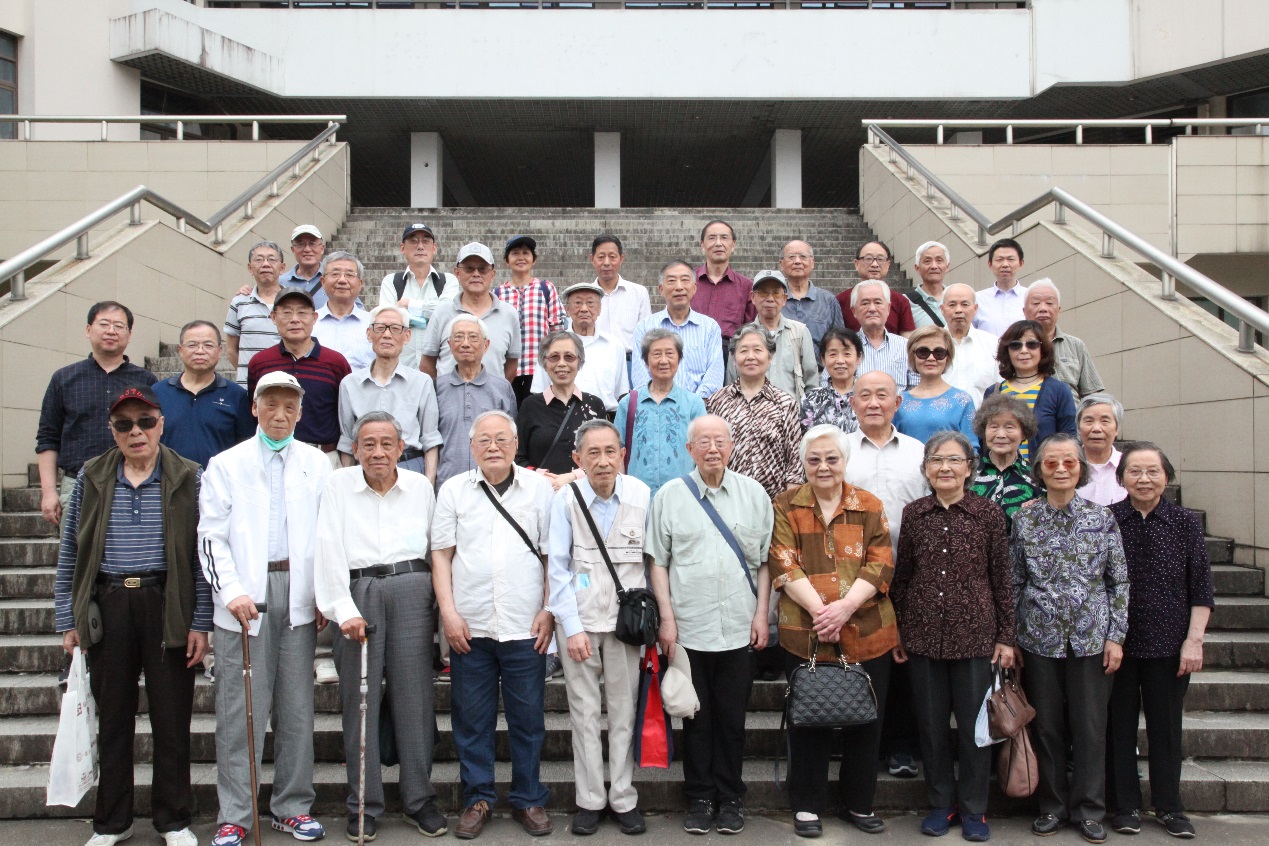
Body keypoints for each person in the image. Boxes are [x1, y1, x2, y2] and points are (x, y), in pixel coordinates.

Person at [53, 385, 210, 846]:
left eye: (144, 422)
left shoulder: (189, 475)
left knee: (172, 720)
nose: (135, 432)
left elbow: (201, 555)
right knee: (113, 720)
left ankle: (173, 820)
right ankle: (111, 822)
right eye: (124, 424)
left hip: (167, 601)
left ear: (161, 424)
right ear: (112, 430)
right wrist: (68, 618)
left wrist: (200, 621)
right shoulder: (92, 475)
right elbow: (70, 552)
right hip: (109, 602)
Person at [198, 371, 332, 846]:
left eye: (289, 406)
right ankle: (236, 814)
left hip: (297, 592)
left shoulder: (318, 463)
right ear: (254, 408)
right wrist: (230, 591)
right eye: (270, 404)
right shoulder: (225, 464)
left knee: (296, 709)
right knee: (241, 711)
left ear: (300, 411)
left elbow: (328, 534)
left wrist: (323, 592)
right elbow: (211, 535)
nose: (280, 414)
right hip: (243, 597)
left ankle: (292, 807)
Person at [314, 411, 447, 841]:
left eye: (387, 443)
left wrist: (440, 604)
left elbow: (435, 546)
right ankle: (364, 803)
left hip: (412, 589)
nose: (378, 452)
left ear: (401, 447)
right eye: (368, 444)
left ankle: (419, 799)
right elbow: (327, 547)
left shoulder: (420, 487)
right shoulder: (338, 485)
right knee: (360, 702)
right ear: (354, 449)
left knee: (415, 698)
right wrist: (342, 608)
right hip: (359, 591)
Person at [767, 424, 897, 838]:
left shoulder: (869, 505)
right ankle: (807, 806)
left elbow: (880, 564)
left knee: (866, 723)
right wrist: (822, 613)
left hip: (867, 629)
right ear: (803, 463)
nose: (823, 466)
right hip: (804, 632)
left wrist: (843, 609)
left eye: (831, 458)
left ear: (845, 461)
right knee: (808, 720)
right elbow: (783, 562)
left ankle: (858, 802)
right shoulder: (786, 504)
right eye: (814, 459)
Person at [431, 411, 555, 839]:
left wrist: (548, 609)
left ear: (516, 444)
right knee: (471, 720)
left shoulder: (539, 489)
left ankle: (528, 798)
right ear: (471, 447)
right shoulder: (453, 490)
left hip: (525, 625)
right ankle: (477, 798)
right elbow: (441, 555)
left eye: (502, 438)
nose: (493, 446)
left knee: (528, 719)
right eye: (483, 439)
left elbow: (551, 556)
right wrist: (448, 614)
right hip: (471, 626)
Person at [648, 415, 773, 836]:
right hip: (689, 628)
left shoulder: (754, 494)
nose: (713, 449)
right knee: (695, 719)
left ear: (732, 446)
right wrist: (667, 619)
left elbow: (764, 563)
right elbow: (658, 562)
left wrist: (762, 614)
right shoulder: (670, 496)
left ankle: (731, 798)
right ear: (690, 450)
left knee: (732, 720)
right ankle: (700, 798)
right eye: (704, 442)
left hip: (738, 626)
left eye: (720, 441)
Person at [891, 431, 1014, 843]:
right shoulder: (914, 514)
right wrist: (900, 630)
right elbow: (903, 577)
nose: (945, 468)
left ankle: (975, 808)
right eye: (936, 460)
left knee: (976, 728)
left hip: (977, 637)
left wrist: (1006, 636)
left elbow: (1002, 577)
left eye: (954, 460)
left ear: (969, 468)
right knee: (931, 726)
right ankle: (940, 803)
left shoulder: (988, 513)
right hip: (923, 637)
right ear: (926, 469)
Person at [1011, 433, 1128, 844]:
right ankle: (1052, 807)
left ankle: (1090, 810)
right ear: (1039, 471)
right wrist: (1011, 638)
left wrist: (1116, 636)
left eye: (1069, 463)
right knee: (1047, 728)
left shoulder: (1102, 518)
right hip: (1038, 639)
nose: (1060, 469)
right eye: (1051, 463)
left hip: (1091, 638)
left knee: (1090, 728)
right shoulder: (1024, 519)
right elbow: (1015, 580)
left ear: (1080, 469)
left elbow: (1118, 581)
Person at [546, 420, 651, 837]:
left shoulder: (641, 494)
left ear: (622, 454)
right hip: (581, 621)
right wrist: (570, 627)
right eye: (593, 453)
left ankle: (623, 797)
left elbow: (651, 561)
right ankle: (590, 799)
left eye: (610, 451)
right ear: (578, 459)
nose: (603, 461)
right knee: (584, 714)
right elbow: (557, 568)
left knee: (624, 712)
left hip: (626, 625)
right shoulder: (566, 499)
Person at [1106, 442, 1214, 839]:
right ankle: (1125, 806)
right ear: (1121, 478)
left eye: (1153, 471)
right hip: (1117, 643)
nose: (1144, 479)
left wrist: (1194, 641)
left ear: (1167, 477)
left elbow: (1201, 586)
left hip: (1170, 644)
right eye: (1135, 471)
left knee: (1166, 728)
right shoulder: (1107, 519)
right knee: (1117, 728)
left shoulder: (1185, 523)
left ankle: (1170, 806)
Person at [843, 370, 926, 782]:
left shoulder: (918, 452)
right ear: (852, 403)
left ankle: (900, 746)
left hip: (908, 571)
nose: (873, 403)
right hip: (853, 574)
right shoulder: (840, 450)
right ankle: (859, 745)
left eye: (882, 395)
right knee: (861, 659)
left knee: (905, 662)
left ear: (898, 403)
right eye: (865, 395)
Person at [37, 301, 157, 524]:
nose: (111, 331)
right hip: (78, 483)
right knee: (77, 546)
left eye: (119, 326)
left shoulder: (145, 380)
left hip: (133, 482)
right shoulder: (64, 379)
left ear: (129, 335)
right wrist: (49, 492)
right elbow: (48, 437)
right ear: (88, 329)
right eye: (104, 324)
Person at [246, 288, 352, 466]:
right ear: (273, 317)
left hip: (323, 458)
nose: (295, 319)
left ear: (315, 318)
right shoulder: (260, 363)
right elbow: (253, 411)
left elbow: (345, 416)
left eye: (302, 313)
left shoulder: (336, 362)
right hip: (271, 456)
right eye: (286, 313)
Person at [336, 305, 442, 480]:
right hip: (365, 469)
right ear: (369, 334)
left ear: (407, 336)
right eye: (380, 328)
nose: (387, 334)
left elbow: (430, 439)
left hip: (409, 466)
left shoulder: (422, 382)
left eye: (395, 329)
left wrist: (428, 485)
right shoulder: (350, 384)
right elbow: (347, 441)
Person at [706, 324, 802, 499]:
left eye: (758, 350)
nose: (750, 357)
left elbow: (795, 464)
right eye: (743, 351)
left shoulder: (785, 404)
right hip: (726, 499)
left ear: (770, 356)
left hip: (773, 503)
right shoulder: (717, 402)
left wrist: (788, 507)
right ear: (734, 358)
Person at [614, 328, 706, 499]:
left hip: (683, 497)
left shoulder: (694, 403)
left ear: (679, 359)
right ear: (646, 361)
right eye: (656, 354)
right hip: (637, 498)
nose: (663, 360)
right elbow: (617, 451)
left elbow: (702, 451)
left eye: (670, 354)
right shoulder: (628, 403)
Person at [153, 320, 254, 469]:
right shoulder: (158, 392)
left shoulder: (237, 396)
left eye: (208, 345)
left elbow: (246, 448)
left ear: (219, 351)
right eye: (192, 345)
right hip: (169, 480)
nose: (200, 351)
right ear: (180, 350)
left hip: (219, 480)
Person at [434, 314, 518, 489]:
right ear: (449, 345)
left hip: (493, 483)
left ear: (486, 345)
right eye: (458, 337)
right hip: (447, 483)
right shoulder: (436, 387)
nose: (465, 343)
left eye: (473, 337)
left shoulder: (502, 388)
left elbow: (512, 439)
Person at [421, 242, 521, 383]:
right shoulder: (442, 312)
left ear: (492, 274)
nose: (476, 274)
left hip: (492, 395)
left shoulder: (509, 314)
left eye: (482, 269)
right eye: (469, 269)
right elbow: (427, 362)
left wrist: (495, 388)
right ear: (457, 273)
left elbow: (512, 364)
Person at [516, 331, 607, 485]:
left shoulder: (594, 405)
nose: (562, 363)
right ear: (545, 363)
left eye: (569, 357)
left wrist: (573, 477)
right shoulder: (530, 406)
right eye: (554, 357)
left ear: (579, 362)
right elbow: (518, 458)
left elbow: (605, 456)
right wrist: (544, 478)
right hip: (543, 492)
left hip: (585, 492)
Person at [983, 319, 1077, 463]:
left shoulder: (1059, 390)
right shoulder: (994, 392)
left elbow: (1069, 439)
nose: (1024, 350)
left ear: (1042, 350)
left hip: (1043, 473)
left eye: (1032, 344)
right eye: (1015, 345)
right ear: (1007, 351)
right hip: (1002, 473)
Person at [629, 260, 724, 398]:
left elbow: (714, 378)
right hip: (655, 405)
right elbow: (640, 378)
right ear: (661, 289)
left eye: (685, 280)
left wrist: (692, 404)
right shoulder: (644, 327)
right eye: (671, 281)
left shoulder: (710, 328)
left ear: (694, 288)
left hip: (700, 406)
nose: (679, 287)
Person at [530, 282, 629, 414]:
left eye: (590, 303)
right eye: (577, 303)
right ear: (567, 309)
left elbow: (621, 392)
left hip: (603, 418)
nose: (584, 309)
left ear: (599, 309)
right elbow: (540, 390)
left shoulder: (615, 346)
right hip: (559, 417)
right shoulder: (551, 344)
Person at [724, 270, 817, 402]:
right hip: (751, 412)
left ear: (784, 299)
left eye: (776, 293)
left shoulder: (800, 333)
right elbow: (731, 382)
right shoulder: (741, 336)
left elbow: (812, 382)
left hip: (792, 412)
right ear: (752, 297)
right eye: (763, 293)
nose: (770, 299)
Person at [495, 235, 567, 405]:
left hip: (539, 370)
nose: (521, 257)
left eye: (526, 253)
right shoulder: (497, 294)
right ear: (507, 261)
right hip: (507, 371)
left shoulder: (545, 288)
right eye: (515, 253)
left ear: (534, 260)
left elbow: (557, 331)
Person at [378, 222, 460, 369]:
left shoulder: (448, 281)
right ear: (402, 248)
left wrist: (407, 305)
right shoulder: (391, 282)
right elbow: (388, 321)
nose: (420, 246)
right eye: (413, 241)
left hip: (439, 370)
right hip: (401, 369)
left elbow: (446, 313)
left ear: (434, 248)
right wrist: (428, 318)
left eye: (426, 241)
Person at [893, 325, 977, 447]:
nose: (931, 358)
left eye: (939, 352)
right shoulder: (899, 402)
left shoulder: (963, 400)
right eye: (923, 352)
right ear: (913, 356)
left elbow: (971, 448)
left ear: (947, 357)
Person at [970, 394, 1042, 534]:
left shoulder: (1037, 477)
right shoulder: (968, 474)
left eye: (1009, 427)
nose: (1001, 435)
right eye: (994, 427)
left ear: (1023, 433)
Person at [1023, 279, 1104, 401]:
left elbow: (1092, 395)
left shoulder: (1076, 346)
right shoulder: (1014, 346)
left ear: (1059, 310)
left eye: (1049, 303)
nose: (1043, 308)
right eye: (1036, 303)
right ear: (1024, 311)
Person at [590, 234, 651, 379]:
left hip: (631, 365)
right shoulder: (585, 296)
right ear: (592, 259)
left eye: (612, 257)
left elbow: (647, 335)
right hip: (594, 365)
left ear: (621, 259)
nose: (606, 262)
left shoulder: (639, 293)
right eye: (601, 257)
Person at [692, 219, 755, 359]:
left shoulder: (746, 286)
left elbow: (751, 328)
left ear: (733, 245)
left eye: (724, 237)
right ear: (702, 245)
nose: (718, 243)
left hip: (729, 353)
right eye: (712, 238)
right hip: (692, 349)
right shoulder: (688, 281)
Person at [224, 241, 285, 385]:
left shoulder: (293, 303)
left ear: (282, 267)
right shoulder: (239, 302)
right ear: (250, 268)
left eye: (272, 259)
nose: (265, 264)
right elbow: (231, 350)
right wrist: (247, 375)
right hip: (248, 387)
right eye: (259, 259)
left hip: (285, 385)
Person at [779, 239, 845, 353]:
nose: (797, 261)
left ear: (812, 263)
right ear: (781, 264)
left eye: (803, 256)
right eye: (791, 257)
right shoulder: (774, 299)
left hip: (818, 364)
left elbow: (839, 340)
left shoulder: (828, 300)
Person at [838, 240, 916, 337]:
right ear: (856, 263)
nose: (874, 264)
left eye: (880, 259)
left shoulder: (900, 301)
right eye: (868, 259)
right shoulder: (841, 300)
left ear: (888, 264)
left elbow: (908, 340)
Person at [312, 251, 374, 371]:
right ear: (322, 281)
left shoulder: (373, 324)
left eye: (349, 275)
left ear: (360, 283)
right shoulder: (308, 323)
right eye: (335, 274)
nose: (342, 280)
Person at [940, 283, 1000, 408]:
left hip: (981, 418)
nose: (958, 310)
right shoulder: (930, 344)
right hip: (940, 418)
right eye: (952, 305)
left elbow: (1001, 388)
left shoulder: (993, 344)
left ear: (975, 309)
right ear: (942, 309)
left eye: (965, 304)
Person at [851, 280, 916, 390]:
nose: (872, 309)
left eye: (878, 302)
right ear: (854, 311)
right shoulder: (846, 348)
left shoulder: (905, 346)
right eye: (865, 303)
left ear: (888, 308)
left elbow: (916, 388)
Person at [799, 328, 864, 434]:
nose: (840, 361)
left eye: (847, 354)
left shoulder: (868, 397)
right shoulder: (811, 399)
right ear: (823, 359)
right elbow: (806, 438)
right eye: (833, 354)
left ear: (859, 357)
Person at [1076, 393, 1127, 506]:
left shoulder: (1129, 466)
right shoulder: (1066, 466)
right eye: (1089, 421)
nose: (1096, 429)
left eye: (1105, 421)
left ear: (1117, 429)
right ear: (1078, 428)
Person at [974, 239, 1028, 336]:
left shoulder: (1030, 297)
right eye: (999, 260)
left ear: (1021, 263)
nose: (1005, 265)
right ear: (990, 264)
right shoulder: (978, 299)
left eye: (1011, 259)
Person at [277, 225, 327, 308]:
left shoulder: (333, 280)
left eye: (312, 244)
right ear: (293, 250)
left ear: (322, 248)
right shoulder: (280, 283)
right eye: (300, 244)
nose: (307, 249)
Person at [907, 241, 949, 329]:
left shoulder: (958, 300)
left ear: (947, 267)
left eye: (939, 260)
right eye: (927, 261)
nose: (934, 266)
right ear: (917, 268)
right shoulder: (905, 302)